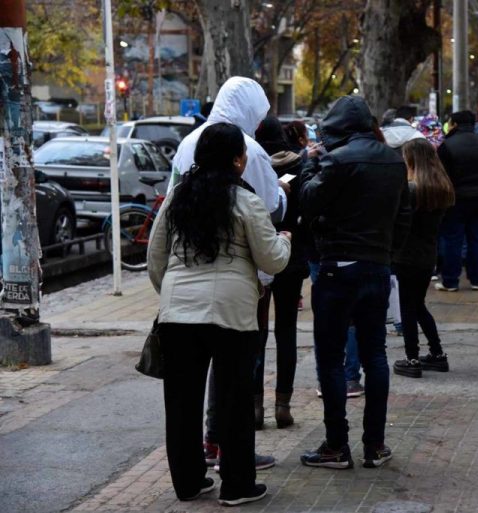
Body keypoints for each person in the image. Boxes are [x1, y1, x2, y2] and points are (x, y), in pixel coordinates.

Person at [148, 122, 291, 506]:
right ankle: (237, 486)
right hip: (232, 315)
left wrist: (172, 297)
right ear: (238, 161)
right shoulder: (246, 201)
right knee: (234, 401)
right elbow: (272, 260)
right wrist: (285, 240)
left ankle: (189, 482)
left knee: (180, 402)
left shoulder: (177, 197)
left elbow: (154, 259)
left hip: (177, 316)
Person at [299, 95, 410, 469]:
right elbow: (404, 215)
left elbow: (309, 200)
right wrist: (387, 252)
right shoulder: (393, 160)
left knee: (331, 359)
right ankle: (375, 445)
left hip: (337, 268)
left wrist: (308, 165)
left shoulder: (336, 159)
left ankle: (336, 445)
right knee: (374, 354)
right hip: (377, 267)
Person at [252, 117, 310, 430]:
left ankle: (256, 407)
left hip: (259, 258)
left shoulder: (250, 165)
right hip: (291, 257)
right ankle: (283, 405)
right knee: (286, 331)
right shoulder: (301, 167)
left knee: (257, 334)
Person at [169, 77, 286, 224]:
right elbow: (270, 210)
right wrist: (281, 192)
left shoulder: (187, 142)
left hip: (187, 237)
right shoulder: (250, 149)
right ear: (251, 111)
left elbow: (172, 195)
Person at [392, 138, 454, 378]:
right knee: (417, 305)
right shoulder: (441, 187)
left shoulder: (411, 190)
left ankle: (412, 357)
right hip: (428, 254)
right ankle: (436, 353)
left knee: (408, 307)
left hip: (406, 254)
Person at [435, 110, 478, 291]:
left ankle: (451, 280)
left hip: (456, 198)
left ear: (454, 124)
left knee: (453, 239)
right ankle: (477, 278)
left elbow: (440, 174)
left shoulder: (447, 146)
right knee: (476, 238)